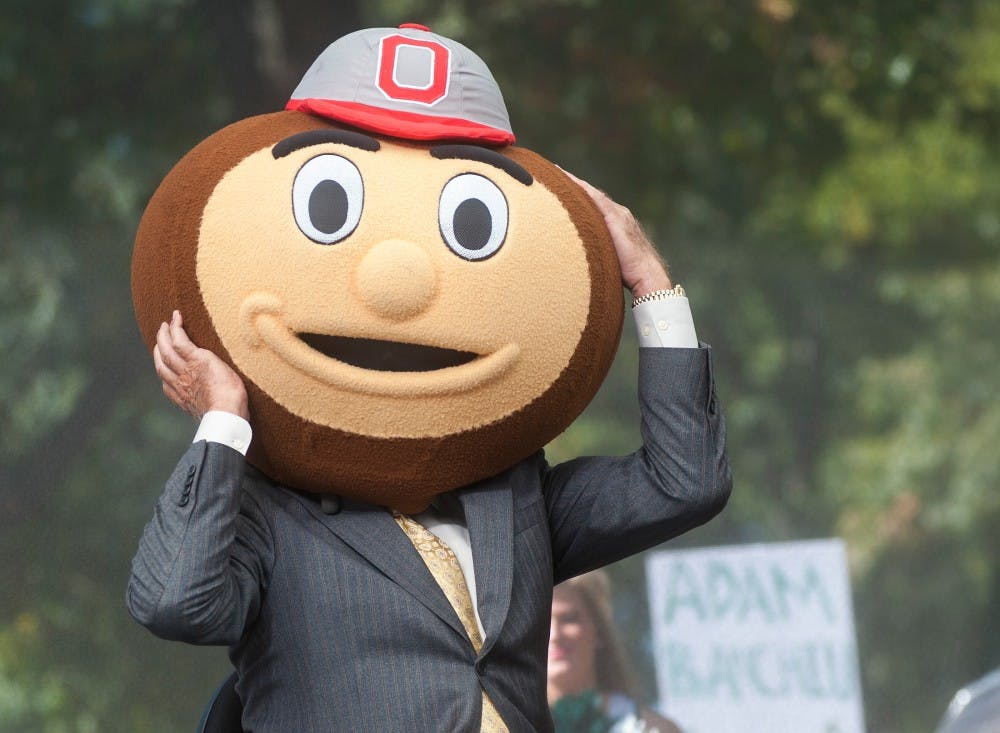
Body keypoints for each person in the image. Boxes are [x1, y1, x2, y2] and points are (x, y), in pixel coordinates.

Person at [127, 25, 731, 733]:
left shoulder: (516, 498)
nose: (399, 283)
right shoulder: (269, 512)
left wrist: (649, 280)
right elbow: (174, 602)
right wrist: (225, 421)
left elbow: (685, 482)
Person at [549, 571, 682, 733]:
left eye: (569, 619)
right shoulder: (513, 725)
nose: (554, 635)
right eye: (542, 624)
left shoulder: (653, 728)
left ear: (598, 631)